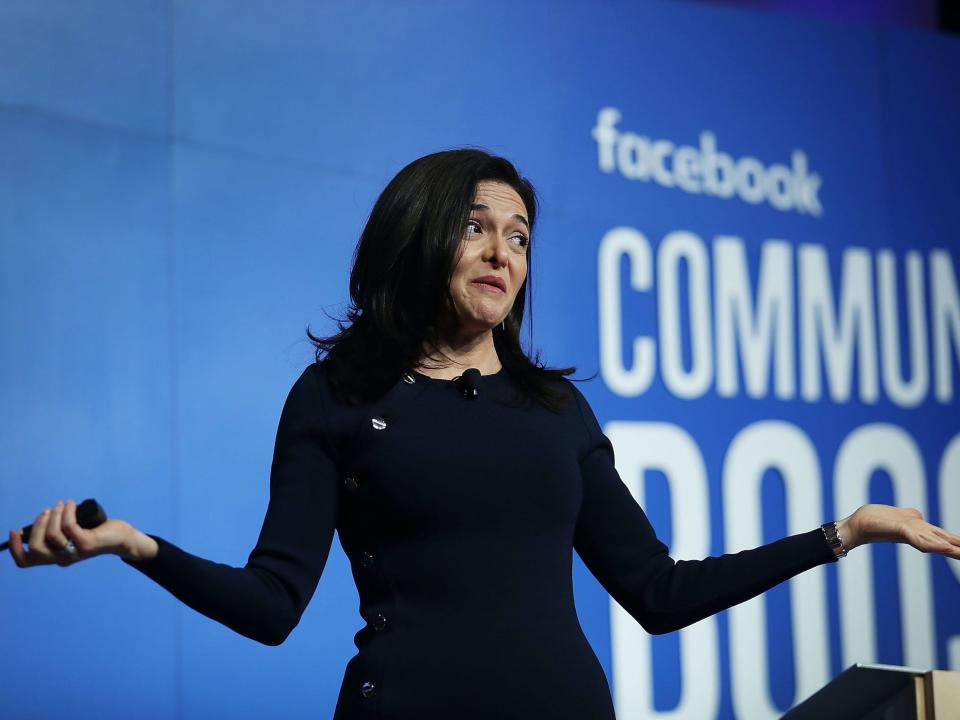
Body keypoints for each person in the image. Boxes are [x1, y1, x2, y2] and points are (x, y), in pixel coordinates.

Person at [8, 149, 960, 719]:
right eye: (476, 227)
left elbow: (660, 594)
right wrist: (133, 544)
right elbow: (271, 606)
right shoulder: (336, 396)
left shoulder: (556, 411)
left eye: (521, 234)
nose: (505, 250)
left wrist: (843, 534)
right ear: (421, 236)